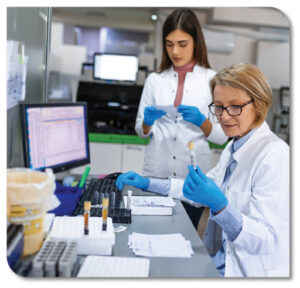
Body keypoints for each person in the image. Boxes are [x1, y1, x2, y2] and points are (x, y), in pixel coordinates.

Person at [117, 63, 289, 277]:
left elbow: (266, 240)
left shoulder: (275, 155)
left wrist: (221, 207)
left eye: (235, 107)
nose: (224, 117)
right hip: (218, 261)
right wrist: (150, 183)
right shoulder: (234, 146)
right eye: (218, 106)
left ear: (260, 104)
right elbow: (196, 191)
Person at [135, 8, 227, 228]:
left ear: (196, 42)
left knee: (185, 239)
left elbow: (222, 137)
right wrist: (147, 121)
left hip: (192, 179)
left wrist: (201, 121)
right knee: (149, 232)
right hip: (156, 174)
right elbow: (140, 130)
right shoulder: (155, 80)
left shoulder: (212, 79)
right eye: (169, 44)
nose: (175, 51)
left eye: (182, 44)